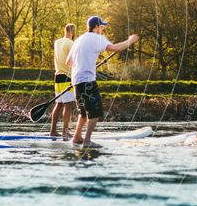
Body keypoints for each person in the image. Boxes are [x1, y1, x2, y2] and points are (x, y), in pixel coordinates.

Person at [66, 16, 138, 147]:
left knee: (83, 112)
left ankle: (77, 137)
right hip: (87, 81)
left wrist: (85, 63)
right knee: (94, 112)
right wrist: (130, 41)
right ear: (96, 27)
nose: (102, 30)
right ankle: (87, 141)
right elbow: (115, 48)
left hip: (76, 81)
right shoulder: (96, 38)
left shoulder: (78, 40)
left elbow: (68, 62)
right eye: (102, 27)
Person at [50, 23, 76, 139]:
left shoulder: (57, 42)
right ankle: (65, 132)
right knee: (68, 105)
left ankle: (53, 131)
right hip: (67, 77)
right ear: (73, 32)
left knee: (59, 104)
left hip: (57, 76)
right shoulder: (71, 43)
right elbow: (74, 60)